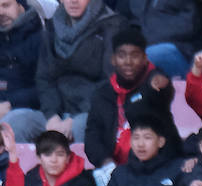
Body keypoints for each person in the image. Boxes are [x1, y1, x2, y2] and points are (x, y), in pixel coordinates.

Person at [83, 25, 177, 170]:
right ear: (113, 59)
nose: (128, 61)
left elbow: (162, 93)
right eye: (122, 55)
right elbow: (92, 136)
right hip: (114, 169)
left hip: (154, 168)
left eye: (135, 55)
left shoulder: (154, 83)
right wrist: (105, 162)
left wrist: (161, 85)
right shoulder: (102, 93)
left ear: (145, 58)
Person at [34, 0, 125, 144]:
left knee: (81, 126)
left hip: (91, 109)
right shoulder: (51, 27)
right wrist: (52, 116)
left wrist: (73, 119)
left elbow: (110, 80)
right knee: (17, 121)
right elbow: (45, 78)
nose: (73, 1)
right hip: (57, 111)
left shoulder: (112, 26)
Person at [0, 0, 43, 143]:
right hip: (4, 106)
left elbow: (48, 86)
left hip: (35, 110)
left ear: (20, 4)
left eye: (6, 5)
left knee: (11, 126)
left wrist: (11, 103)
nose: (1, 13)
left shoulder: (41, 34)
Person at [133, 0, 202, 79]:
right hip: (147, 45)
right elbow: (135, 20)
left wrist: (152, 39)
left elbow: (189, 26)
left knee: (144, 57)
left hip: (178, 49)